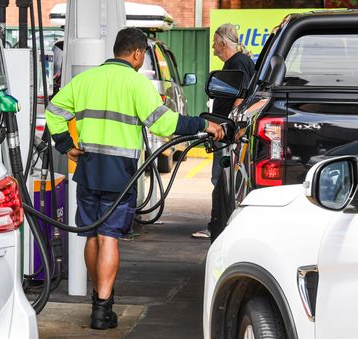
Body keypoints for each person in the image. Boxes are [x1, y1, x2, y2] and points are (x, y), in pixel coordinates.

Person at [45, 27, 224, 330]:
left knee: (91, 235)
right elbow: (164, 124)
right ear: (138, 53)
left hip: (88, 168)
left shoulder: (86, 79)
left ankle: (98, 296)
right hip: (121, 175)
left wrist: (67, 146)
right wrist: (202, 123)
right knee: (109, 237)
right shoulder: (136, 83)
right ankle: (103, 309)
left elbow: (53, 111)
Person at [191, 23, 255, 240]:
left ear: (223, 42)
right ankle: (219, 223)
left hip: (226, 133)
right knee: (221, 179)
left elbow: (242, 96)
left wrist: (231, 125)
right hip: (224, 131)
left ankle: (218, 226)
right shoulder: (236, 62)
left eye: (214, 43)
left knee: (221, 180)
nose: (212, 48)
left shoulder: (238, 63)